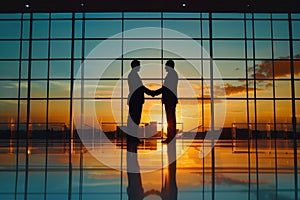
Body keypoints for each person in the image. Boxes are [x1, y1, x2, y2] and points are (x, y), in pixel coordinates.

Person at [127, 59, 153, 144]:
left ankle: (133, 138)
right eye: (138, 65)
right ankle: (133, 138)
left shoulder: (133, 75)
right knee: (135, 120)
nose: (140, 67)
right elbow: (140, 88)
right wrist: (151, 93)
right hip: (136, 100)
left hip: (135, 100)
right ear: (135, 66)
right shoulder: (134, 75)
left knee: (134, 120)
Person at [152, 60, 178, 144]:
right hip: (170, 99)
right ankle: (170, 137)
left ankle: (170, 137)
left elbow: (165, 88)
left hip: (169, 99)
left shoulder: (171, 75)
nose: (165, 67)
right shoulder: (172, 75)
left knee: (170, 119)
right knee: (170, 119)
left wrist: (155, 93)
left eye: (166, 66)